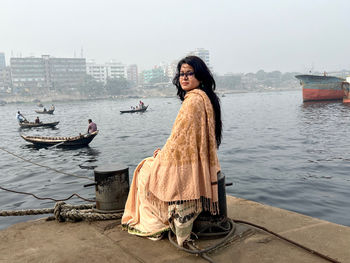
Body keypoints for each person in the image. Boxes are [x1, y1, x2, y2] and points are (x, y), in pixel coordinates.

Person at [122, 56, 222, 246]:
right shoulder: (205, 97)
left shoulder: (192, 101)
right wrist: (165, 151)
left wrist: (161, 155)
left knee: (144, 169)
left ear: (199, 75)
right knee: (150, 164)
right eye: (182, 74)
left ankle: (156, 223)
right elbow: (181, 139)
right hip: (196, 161)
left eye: (189, 73)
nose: (184, 78)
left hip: (184, 165)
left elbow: (178, 141)